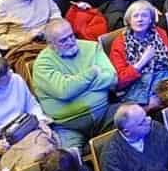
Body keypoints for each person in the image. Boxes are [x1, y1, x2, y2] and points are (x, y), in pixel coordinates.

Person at [32, 17, 119, 147]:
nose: (71, 42)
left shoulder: (92, 47)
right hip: (67, 125)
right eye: (63, 40)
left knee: (132, 121)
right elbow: (65, 91)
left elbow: (112, 78)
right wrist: (92, 73)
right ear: (51, 44)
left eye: (71, 36)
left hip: (103, 112)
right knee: (66, 160)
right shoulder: (43, 63)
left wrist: (75, 83)